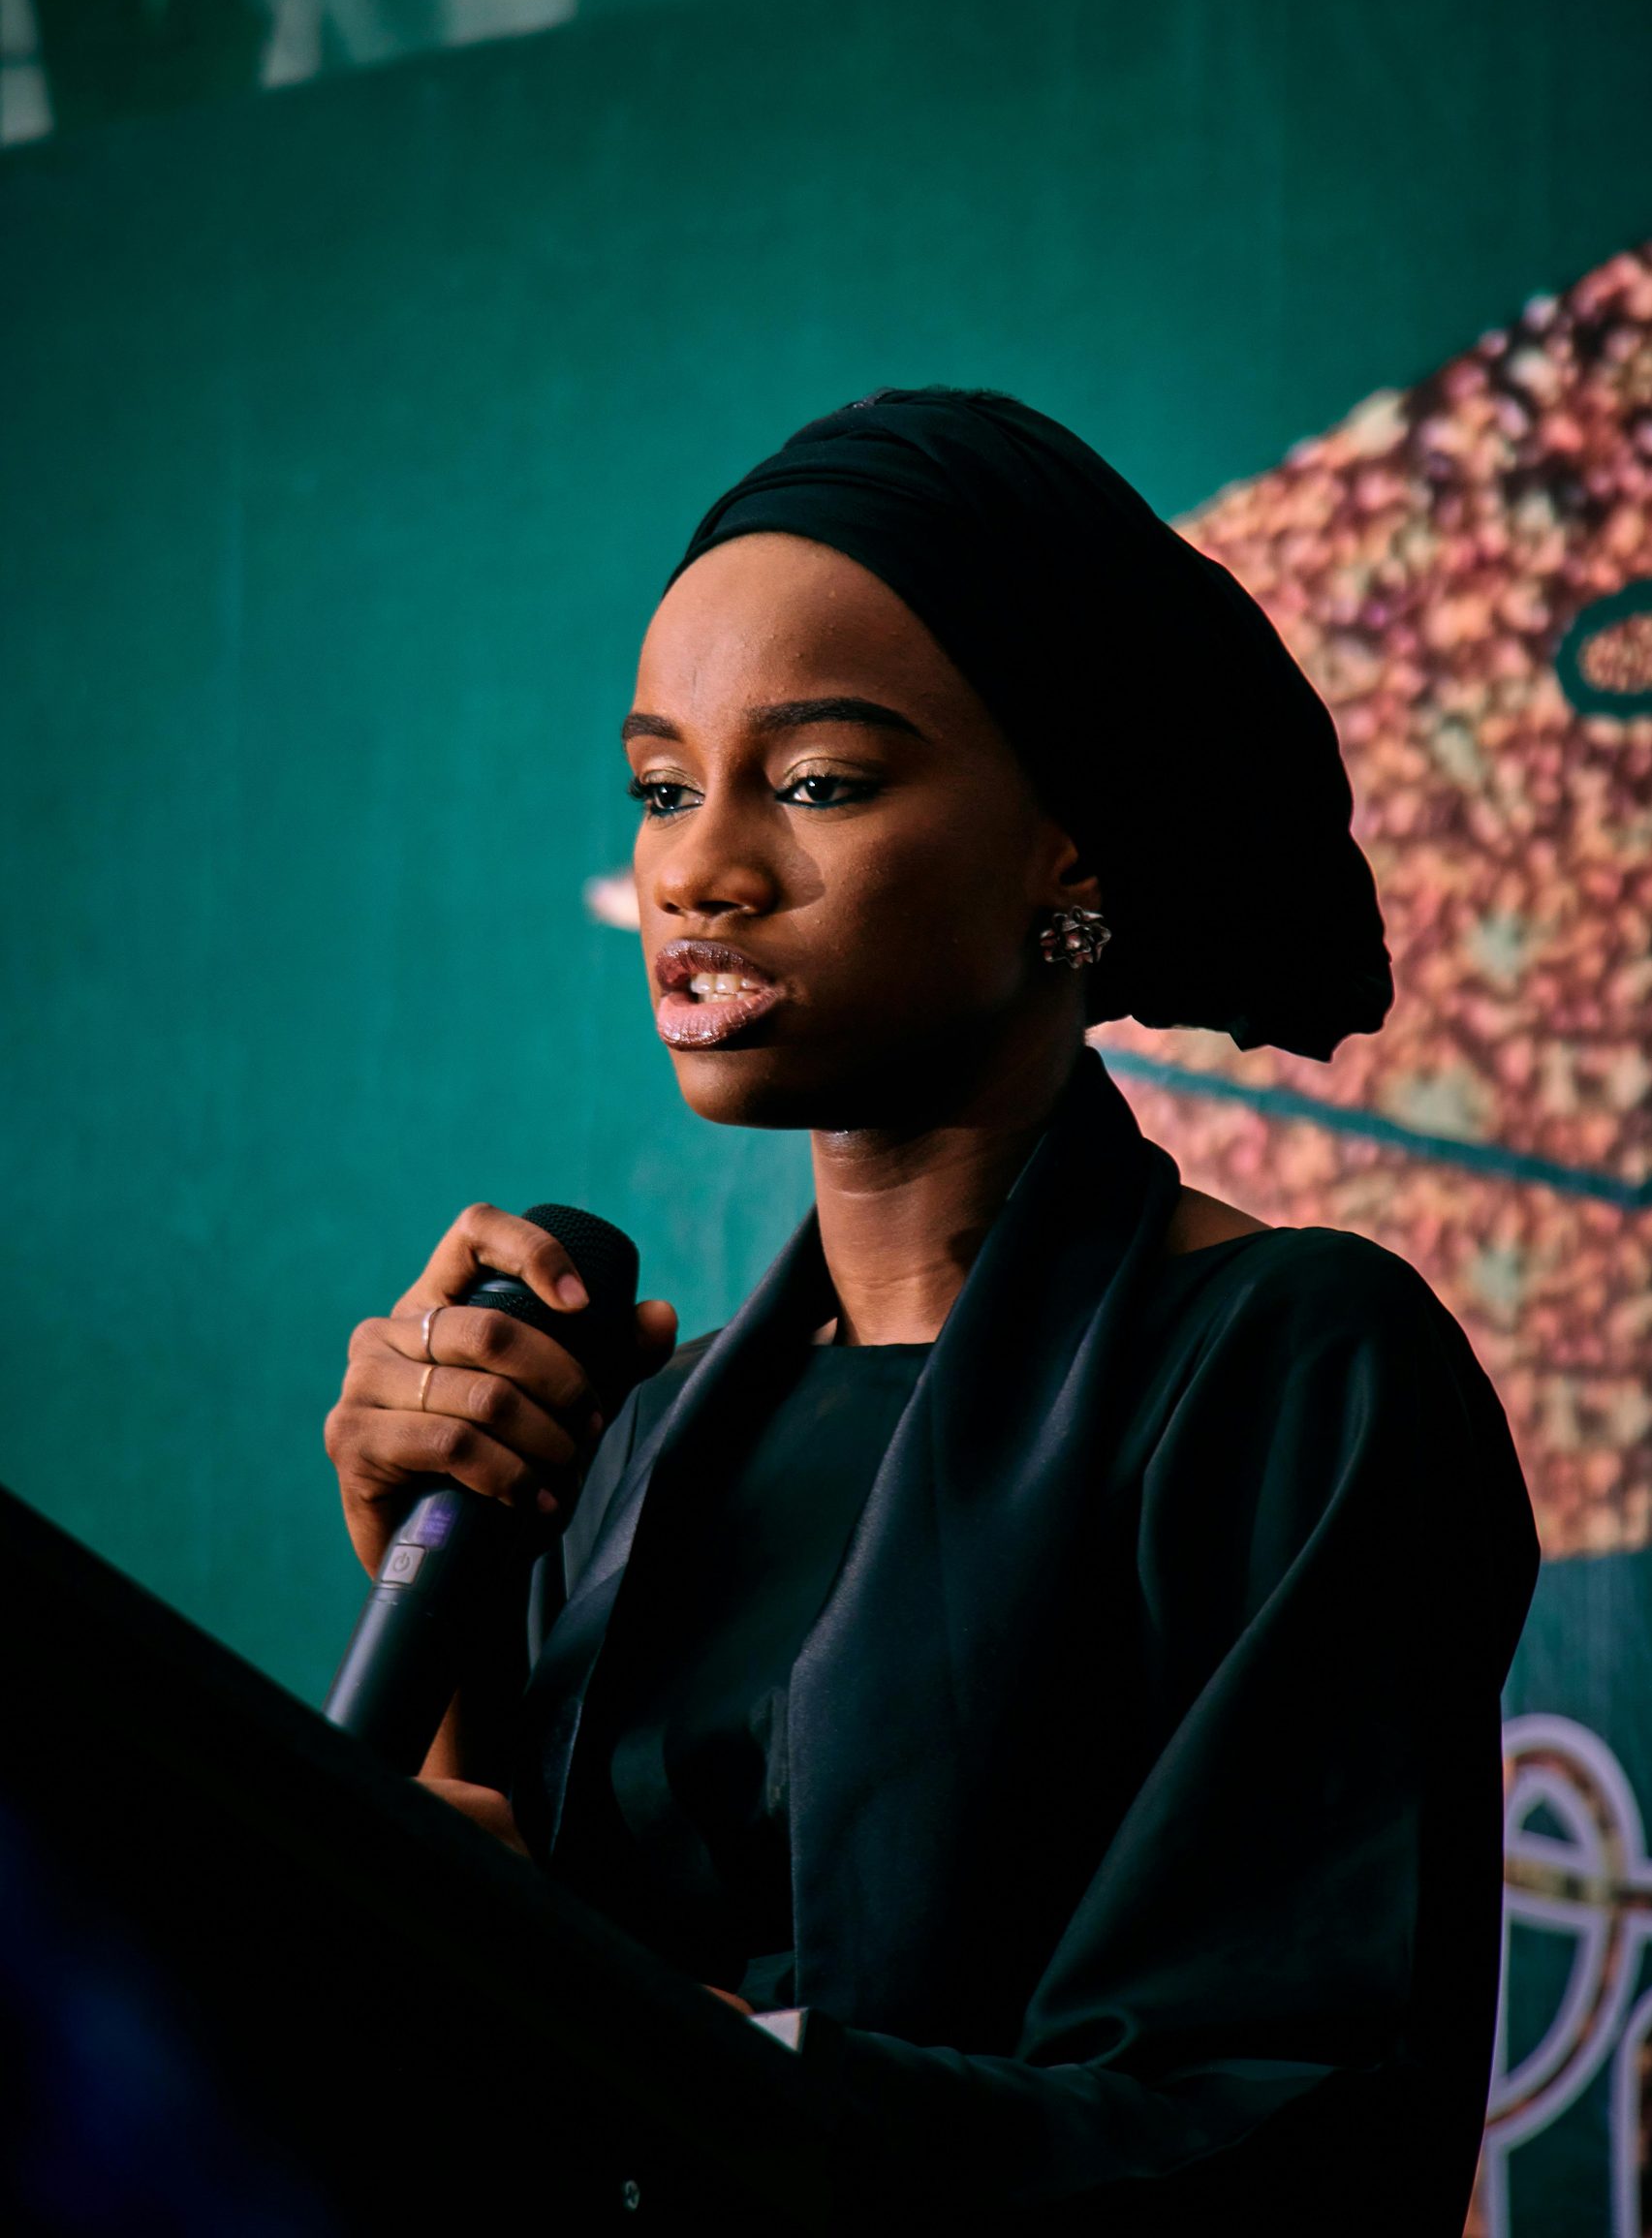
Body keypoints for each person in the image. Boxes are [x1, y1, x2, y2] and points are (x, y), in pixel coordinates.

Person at [324, 389, 1539, 2231]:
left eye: (815, 782)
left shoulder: (1297, 1367)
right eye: (663, 786)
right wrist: (437, 1588)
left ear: (1067, 846)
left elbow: (1283, 2125)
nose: (699, 872)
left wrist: (702, 2061)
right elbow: (484, 2046)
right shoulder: (640, 1437)